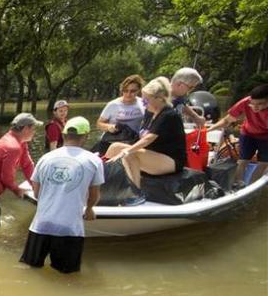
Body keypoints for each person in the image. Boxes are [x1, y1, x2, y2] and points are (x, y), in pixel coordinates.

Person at [20, 116, 104, 273]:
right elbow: (94, 194)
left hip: (40, 225)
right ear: (86, 136)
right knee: (67, 276)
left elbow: (37, 193)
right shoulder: (94, 161)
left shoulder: (45, 158)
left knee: (30, 269)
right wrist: (89, 209)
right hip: (70, 228)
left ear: (63, 135)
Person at [105, 76, 187, 206]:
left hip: (171, 161)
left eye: (146, 99)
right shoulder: (150, 113)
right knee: (115, 147)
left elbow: (149, 139)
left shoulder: (169, 115)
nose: (142, 102)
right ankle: (103, 185)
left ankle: (135, 193)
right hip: (153, 155)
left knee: (131, 153)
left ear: (159, 99)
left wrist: (126, 151)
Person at [208, 84, 268, 188]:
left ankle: (252, 188)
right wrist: (209, 129)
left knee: (264, 163)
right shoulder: (245, 102)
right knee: (242, 161)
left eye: (260, 104)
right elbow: (227, 120)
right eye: (252, 104)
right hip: (248, 133)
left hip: (266, 137)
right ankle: (237, 186)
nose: (255, 107)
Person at [94, 74, 146, 154]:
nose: (128, 94)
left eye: (132, 91)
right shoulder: (113, 104)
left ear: (139, 90)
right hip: (112, 142)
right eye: (125, 91)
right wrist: (109, 127)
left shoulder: (143, 103)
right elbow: (99, 123)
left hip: (133, 142)